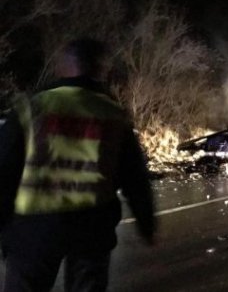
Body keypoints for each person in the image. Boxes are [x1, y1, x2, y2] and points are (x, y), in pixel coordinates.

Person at [0, 38, 155, 291]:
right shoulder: (113, 114)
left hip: (35, 228)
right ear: (98, 70)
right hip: (91, 229)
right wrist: (147, 224)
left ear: (65, 66)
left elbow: (4, 168)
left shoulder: (34, 107)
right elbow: (135, 177)